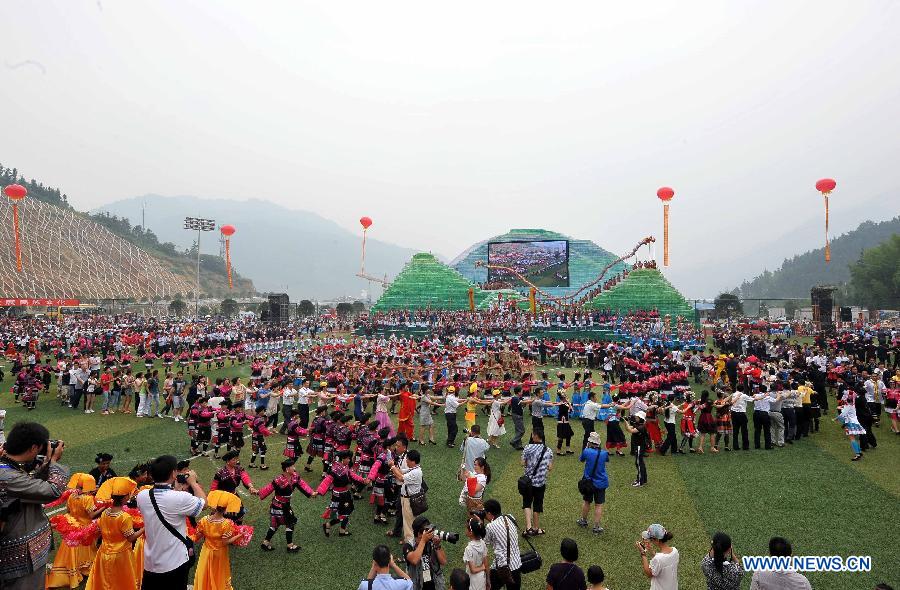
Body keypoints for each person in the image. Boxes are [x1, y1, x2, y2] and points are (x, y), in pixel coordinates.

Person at [0, 422, 69, 590]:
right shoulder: (7, 476)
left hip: (21, 554)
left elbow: (29, 485)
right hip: (21, 559)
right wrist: (53, 461)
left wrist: (44, 463)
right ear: (33, 448)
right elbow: (53, 489)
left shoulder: (7, 468)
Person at [135, 454, 207, 590]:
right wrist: (193, 483)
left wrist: (176, 489)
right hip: (175, 563)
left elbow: (163, 500)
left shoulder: (142, 496)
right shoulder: (180, 498)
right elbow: (204, 504)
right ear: (174, 473)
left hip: (151, 562)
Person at [84, 477, 143, 590]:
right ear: (125, 497)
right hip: (121, 555)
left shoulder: (105, 512)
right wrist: (144, 528)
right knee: (119, 582)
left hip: (103, 552)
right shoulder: (124, 517)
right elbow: (131, 538)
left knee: (106, 580)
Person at [193, 491, 248, 590]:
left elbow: (198, 535)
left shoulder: (204, 520)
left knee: (205, 571)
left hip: (206, 551)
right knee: (218, 573)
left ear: (215, 506)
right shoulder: (226, 524)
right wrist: (239, 535)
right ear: (226, 509)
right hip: (220, 552)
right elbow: (225, 542)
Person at [259, 458, 317, 551]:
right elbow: (268, 488)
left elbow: (302, 485)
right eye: (292, 466)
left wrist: (311, 493)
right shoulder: (279, 480)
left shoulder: (294, 477)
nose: (294, 468)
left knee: (275, 525)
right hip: (279, 506)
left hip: (283, 505)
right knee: (290, 522)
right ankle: (290, 546)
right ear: (287, 469)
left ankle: (265, 543)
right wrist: (258, 492)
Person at [519, 429, 553, 536]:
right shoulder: (549, 450)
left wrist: (529, 463)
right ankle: (536, 528)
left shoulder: (528, 448)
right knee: (538, 504)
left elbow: (522, 463)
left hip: (528, 482)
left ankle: (529, 527)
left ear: (535, 436)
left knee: (527, 503)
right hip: (540, 482)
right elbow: (550, 467)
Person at [483, 499, 522, 590]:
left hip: (502, 567)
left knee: (490, 586)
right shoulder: (510, 517)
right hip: (516, 564)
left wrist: (481, 523)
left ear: (489, 513)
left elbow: (484, 543)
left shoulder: (490, 526)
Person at [403, 515, 448, 590]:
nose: (429, 533)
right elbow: (414, 560)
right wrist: (423, 540)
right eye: (426, 531)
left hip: (435, 585)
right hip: (418, 586)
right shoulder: (408, 546)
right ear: (419, 533)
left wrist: (437, 546)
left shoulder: (431, 542)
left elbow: (443, 561)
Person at [577, 431, 609, 534]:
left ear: (589, 442)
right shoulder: (604, 453)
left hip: (589, 483)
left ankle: (583, 520)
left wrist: (587, 447)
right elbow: (606, 460)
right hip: (601, 482)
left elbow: (581, 459)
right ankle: (596, 527)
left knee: (587, 502)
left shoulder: (586, 451)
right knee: (598, 505)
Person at [390, 448, 423, 543]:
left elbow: (400, 478)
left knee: (409, 524)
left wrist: (392, 467)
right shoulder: (413, 469)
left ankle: (410, 545)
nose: (406, 461)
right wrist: (395, 468)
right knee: (407, 521)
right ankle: (408, 539)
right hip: (407, 499)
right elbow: (401, 472)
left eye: (407, 460)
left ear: (412, 461)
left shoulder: (415, 472)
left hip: (409, 500)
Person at [636, 524, 679, 590]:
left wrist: (643, 554)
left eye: (651, 539)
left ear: (657, 540)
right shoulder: (675, 551)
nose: (650, 541)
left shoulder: (658, 559)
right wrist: (651, 550)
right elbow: (663, 562)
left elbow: (649, 574)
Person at [462, 517, 488, 590]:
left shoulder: (469, 549)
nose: (465, 530)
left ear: (471, 533)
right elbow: (486, 564)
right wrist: (488, 580)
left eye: (467, 528)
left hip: (472, 581)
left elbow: (473, 570)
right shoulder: (483, 543)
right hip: (482, 578)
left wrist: (483, 567)